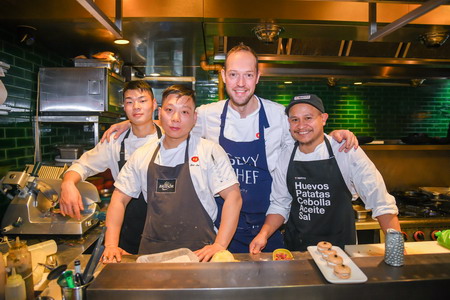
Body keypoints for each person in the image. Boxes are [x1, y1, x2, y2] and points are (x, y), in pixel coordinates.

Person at [101, 44, 358, 253]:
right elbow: (176, 120)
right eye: (234, 74)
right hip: (220, 228)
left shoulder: (279, 115)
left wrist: (334, 134)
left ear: (257, 77)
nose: (240, 83)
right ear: (223, 76)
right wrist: (132, 121)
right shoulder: (207, 115)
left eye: (248, 75)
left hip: (268, 227)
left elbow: (306, 134)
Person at [102, 85, 242, 263]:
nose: (176, 119)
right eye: (169, 110)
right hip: (153, 257)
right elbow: (119, 198)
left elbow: (233, 197)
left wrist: (220, 245)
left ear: (194, 118)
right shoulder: (142, 155)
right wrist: (111, 245)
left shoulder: (209, 152)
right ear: (159, 113)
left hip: (199, 255)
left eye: (184, 112)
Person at [249, 93, 401, 253]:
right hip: (297, 250)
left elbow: (380, 202)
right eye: (295, 119)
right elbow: (280, 204)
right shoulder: (286, 156)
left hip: (341, 251)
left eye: (308, 118)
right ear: (289, 123)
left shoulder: (345, 150)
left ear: (323, 118)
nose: (301, 125)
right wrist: (263, 235)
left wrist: (397, 249)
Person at [60, 80, 162, 254]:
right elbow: (83, 165)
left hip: (164, 227)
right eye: (129, 102)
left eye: (142, 100)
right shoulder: (114, 141)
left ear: (154, 104)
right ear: (124, 107)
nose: (136, 106)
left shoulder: (171, 135)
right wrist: (68, 184)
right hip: (127, 230)